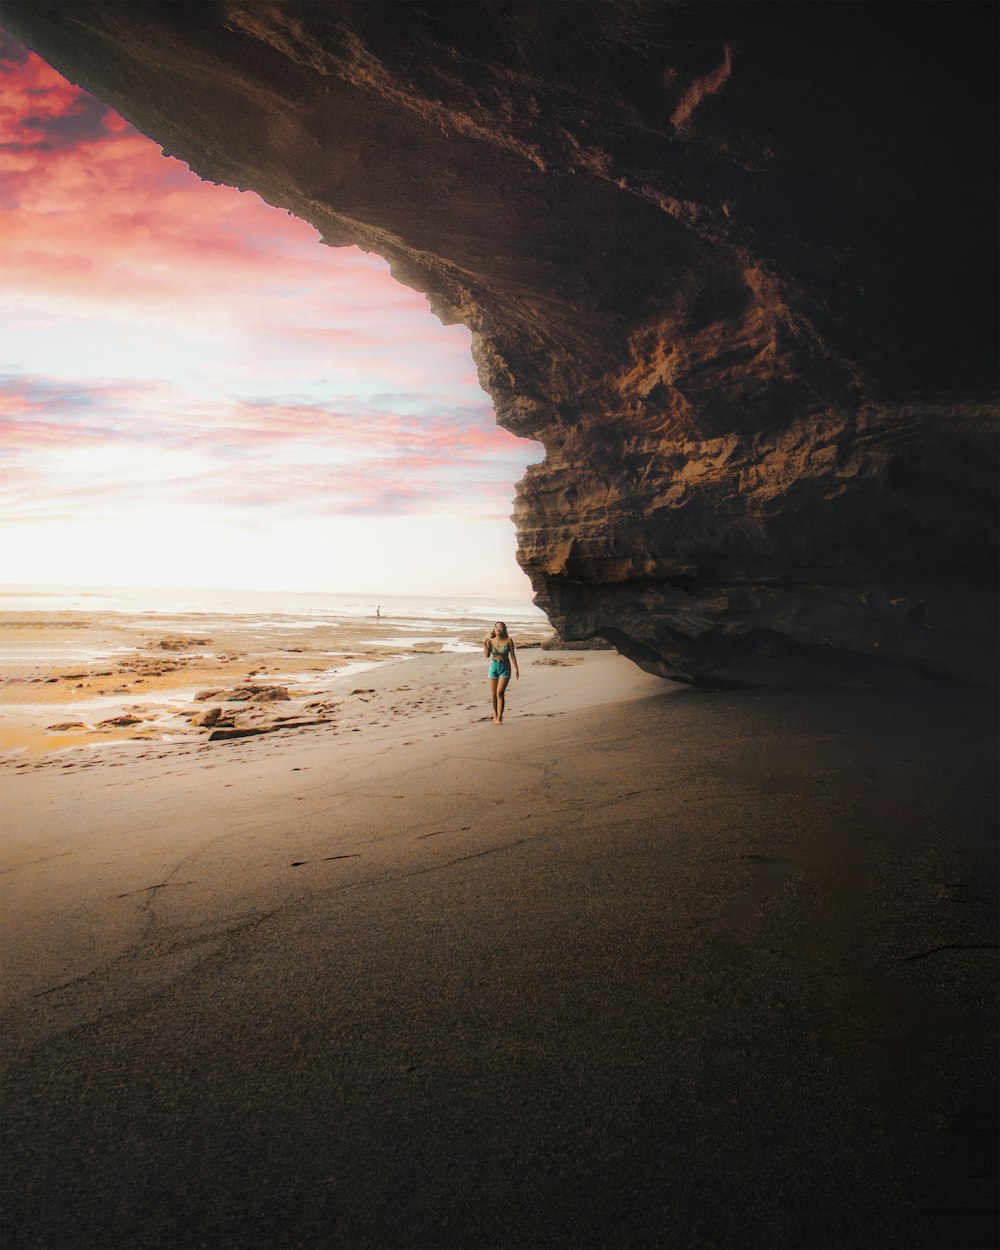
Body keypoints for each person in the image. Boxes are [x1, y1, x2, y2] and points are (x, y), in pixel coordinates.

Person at [483, 620, 519, 724]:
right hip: (493, 666)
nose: (498, 628)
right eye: (496, 627)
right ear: (494, 629)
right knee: (493, 694)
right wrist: (484, 642)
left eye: (501, 627)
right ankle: (495, 714)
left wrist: (516, 668)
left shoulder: (509, 640)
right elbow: (486, 655)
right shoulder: (491, 641)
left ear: (504, 629)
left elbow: (512, 655)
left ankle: (499, 717)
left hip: (505, 666)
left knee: (500, 693)